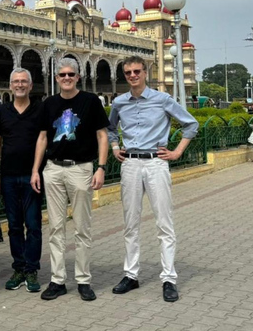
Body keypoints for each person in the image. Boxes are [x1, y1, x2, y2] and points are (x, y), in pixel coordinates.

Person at [107, 55, 198, 303]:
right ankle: (131, 275)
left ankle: (169, 278)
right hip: (131, 164)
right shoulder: (119, 102)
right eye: (128, 73)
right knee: (130, 222)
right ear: (124, 75)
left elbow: (191, 124)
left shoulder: (162, 99)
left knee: (164, 222)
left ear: (145, 73)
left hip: (156, 162)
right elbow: (110, 127)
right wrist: (115, 147)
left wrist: (178, 151)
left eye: (137, 71)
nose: (133, 76)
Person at [30, 58, 109, 302]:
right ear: (56, 78)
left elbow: (102, 136)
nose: (66, 78)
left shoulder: (90, 101)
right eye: (62, 74)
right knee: (55, 227)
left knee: (82, 227)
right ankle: (58, 280)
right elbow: (43, 138)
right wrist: (36, 170)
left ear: (77, 77)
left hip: (80, 169)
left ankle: (83, 280)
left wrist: (102, 168)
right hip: (53, 169)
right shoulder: (49, 103)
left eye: (70, 74)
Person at [0, 68, 43, 293]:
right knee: (13, 226)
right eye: (16, 82)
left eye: (24, 81)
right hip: (9, 176)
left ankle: (31, 269)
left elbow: (43, 139)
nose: (20, 85)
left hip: (32, 177)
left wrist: (35, 170)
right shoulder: (2, 111)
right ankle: (19, 267)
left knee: (33, 225)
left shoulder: (40, 109)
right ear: (10, 86)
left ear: (31, 86)